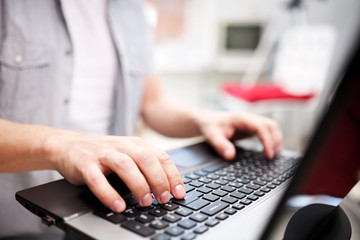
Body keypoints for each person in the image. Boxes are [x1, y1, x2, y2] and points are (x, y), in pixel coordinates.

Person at [0, 0, 282, 239]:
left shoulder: (134, 10)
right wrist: (62, 145)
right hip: (17, 223)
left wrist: (205, 119)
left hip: (116, 211)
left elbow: (152, 103)